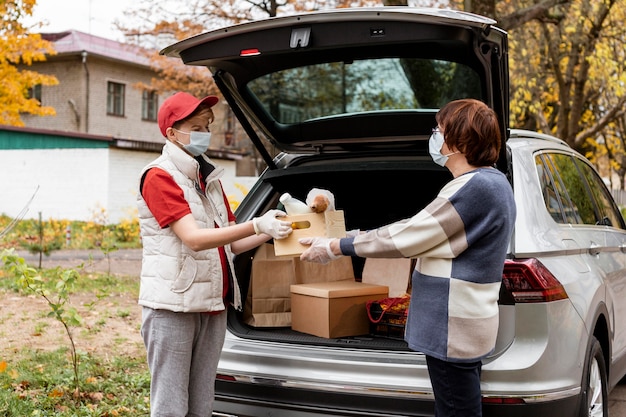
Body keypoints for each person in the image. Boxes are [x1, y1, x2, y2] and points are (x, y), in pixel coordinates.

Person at [299, 98, 516, 417]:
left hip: (452, 328)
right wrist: (347, 237)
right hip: (461, 325)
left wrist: (336, 247)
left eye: (439, 130)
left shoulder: (477, 187)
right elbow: (417, 227)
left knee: (457, 410)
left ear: (458, 139)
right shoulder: (489, 183)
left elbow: (410, 236)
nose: (435, 137)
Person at [136, 91, 292, 417]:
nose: (205, 133)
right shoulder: (159, 176)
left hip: (213, 304)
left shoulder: (209, 179)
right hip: (173, 305)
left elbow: (232, 244)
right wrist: (254, 226)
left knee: (202, 403)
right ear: (171, 133)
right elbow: (193, 239)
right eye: (196, 126)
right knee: (170, 405)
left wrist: (272, 229)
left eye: (207, 125)